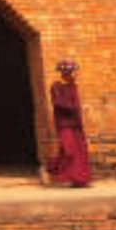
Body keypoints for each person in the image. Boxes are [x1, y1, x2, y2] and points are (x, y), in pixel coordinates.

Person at [42, 60, 91, 188]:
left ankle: (78, 179)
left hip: (75, 124)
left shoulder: (73, 86)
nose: (75, 75)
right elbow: (59, 104)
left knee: (78, 151)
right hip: (64, 123)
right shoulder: (56, 86)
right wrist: (72, 107)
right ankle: (50, 170)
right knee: (69, 151)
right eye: (73, 72)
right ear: (65, 73)